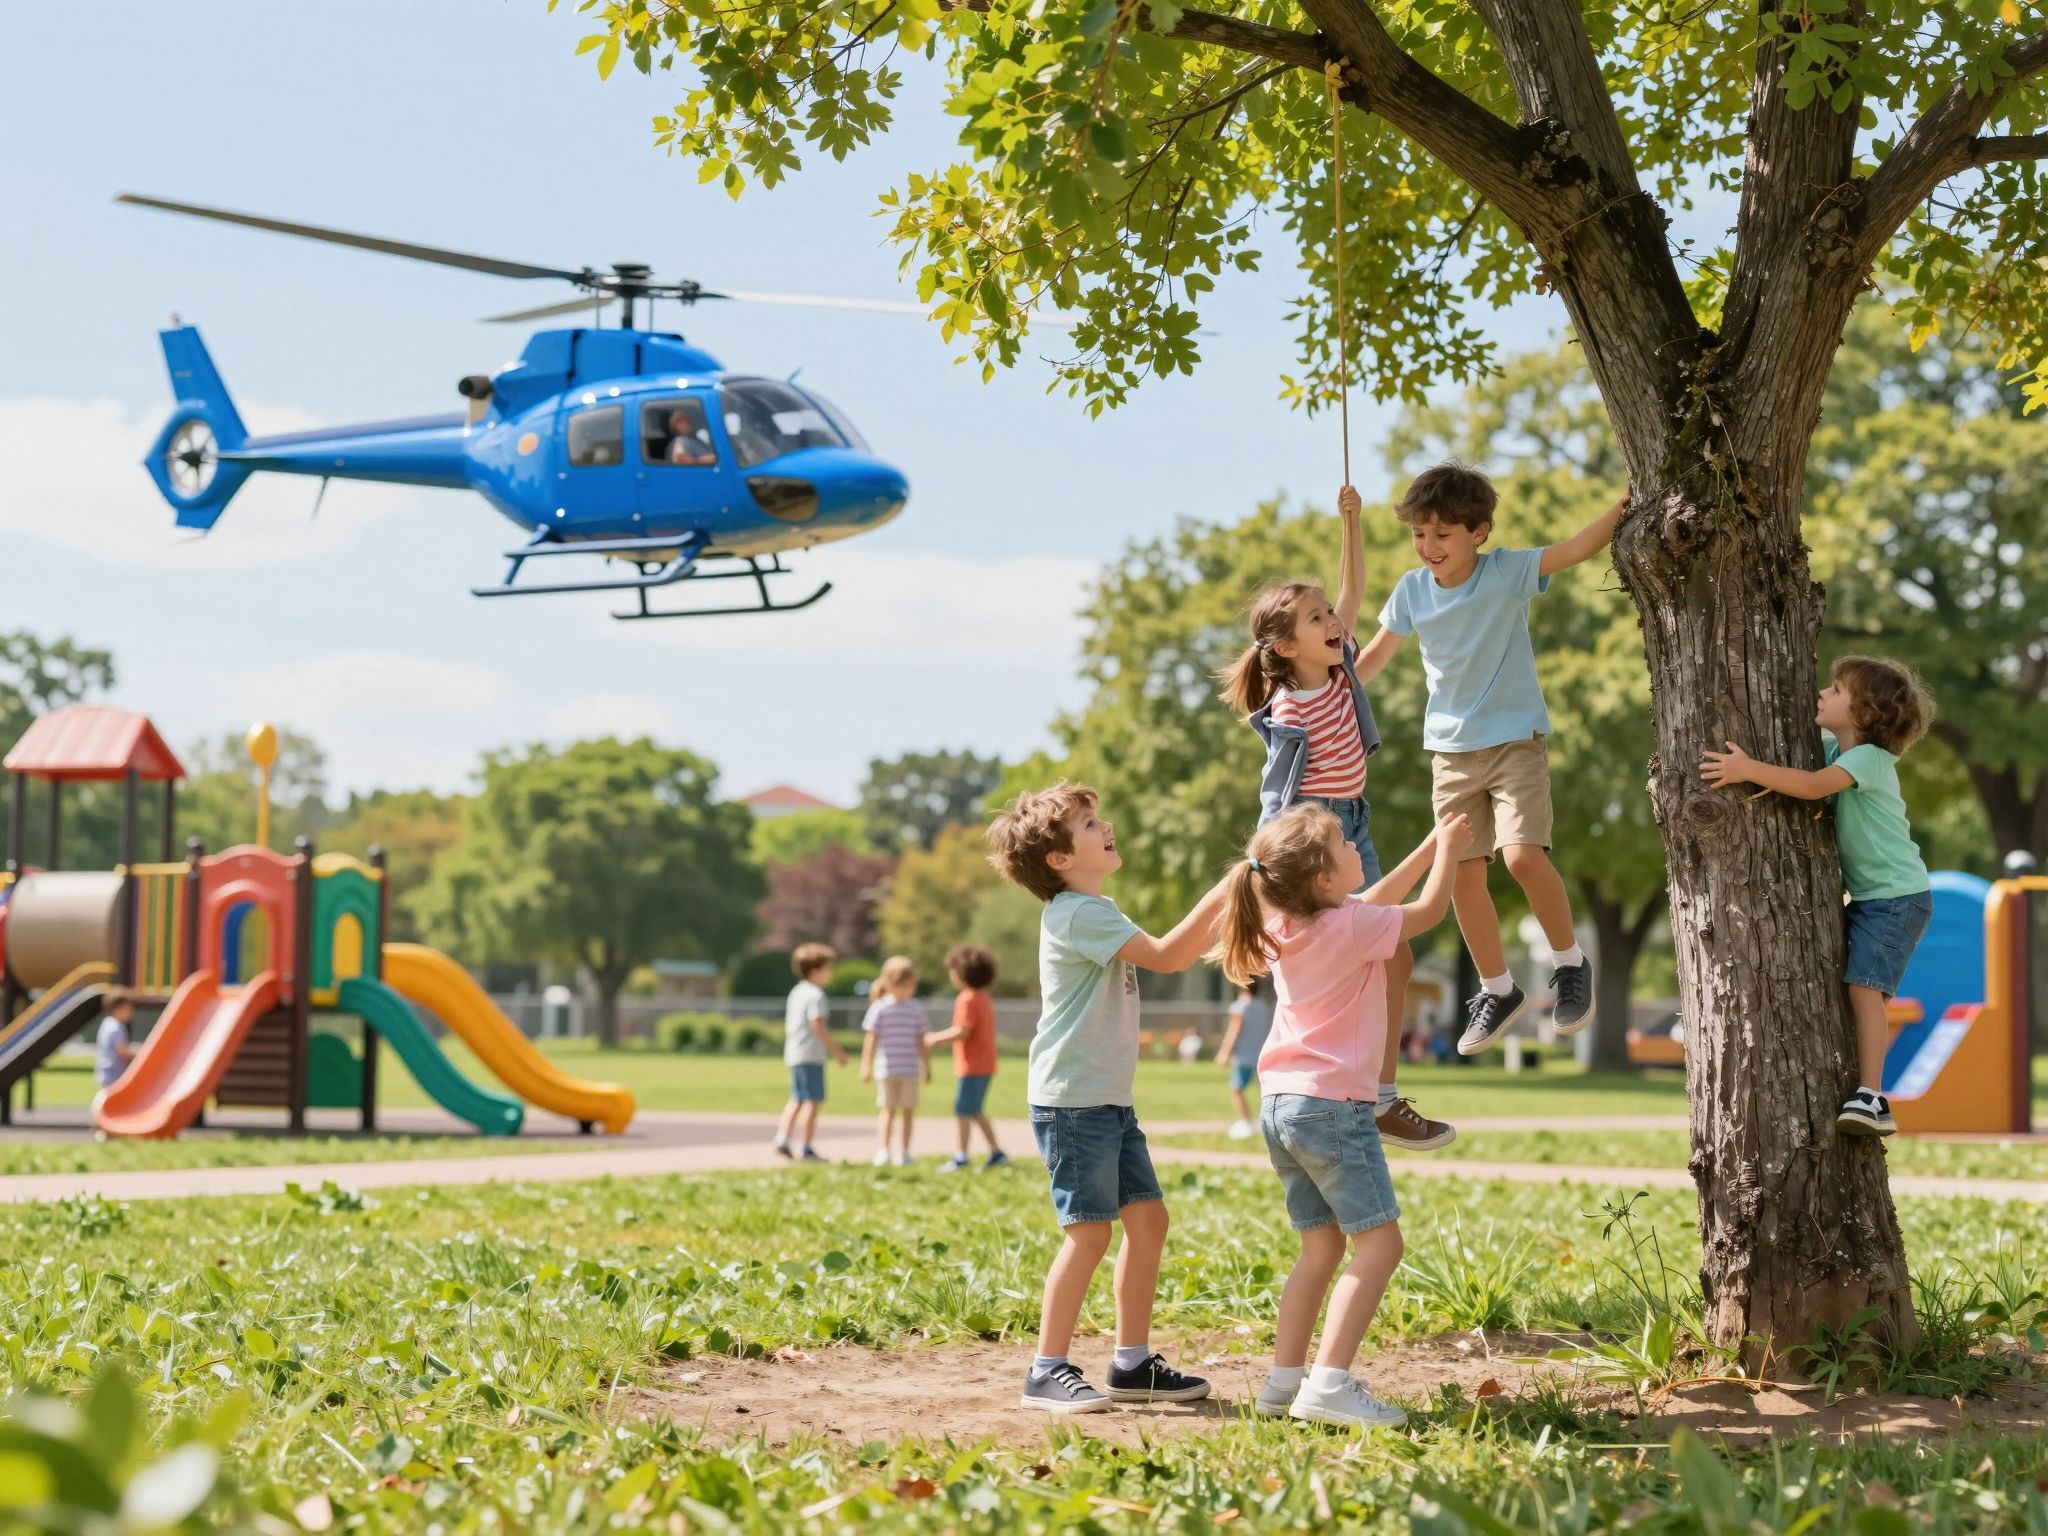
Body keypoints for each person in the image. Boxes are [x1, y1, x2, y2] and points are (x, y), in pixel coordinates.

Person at [1209, 802, 1471, 1427]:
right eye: (1344, 844)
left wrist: (1432, 844)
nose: (1357, 845)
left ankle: (1282, 1382)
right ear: (1325, 880)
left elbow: (1375, 896)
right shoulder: (1351, 927)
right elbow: (1428, 913)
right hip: (1333, 1106)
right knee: (1380, 1246)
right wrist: (1456, 853)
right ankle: (1329, 1385)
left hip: (1282, 1106)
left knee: (1319, 1251)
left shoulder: (1286, 925)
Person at [1351, 463, 1628, 1056]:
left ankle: (1570, 963)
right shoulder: (1411, 591)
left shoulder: (1505, 572)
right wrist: (1328, 691)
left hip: (1514, 741)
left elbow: (1577, 548)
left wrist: (1628, 499)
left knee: (1523, 856)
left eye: (1442, 535)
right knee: (1461, 875)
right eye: (1419, 535)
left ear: (1478, 532)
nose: (1429, 548)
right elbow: (1371, 659)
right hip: (1449, 754)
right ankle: (1497, 989)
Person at [1219, 483, 1452, 1153]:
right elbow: (1282, 805)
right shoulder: (1291, 710)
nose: (1331, 622)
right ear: (1286, 648)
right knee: (1345, 959)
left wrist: (1350, 525)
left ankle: (1380, 1096)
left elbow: (1354, 594)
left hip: (1359, 826)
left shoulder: (1342, 669)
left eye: (1328, 615)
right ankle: (1332, 1086)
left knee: (1396, 957)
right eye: (1315, 619)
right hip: (1323, 842)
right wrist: (1287, 861)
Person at [987, 780, 1231, 1414]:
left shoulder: (1095, 909)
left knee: (1148, 1222)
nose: (1105, 826)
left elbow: (1175, 950)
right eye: (1088, 823)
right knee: (1089, 1235)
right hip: (1074, 1102)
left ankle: (1131, 1364)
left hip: (1105, 1100)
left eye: (1098, 817)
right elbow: (1171, 957)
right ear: (1059, 860)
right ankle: (1046, 1368)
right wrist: (1230, 886)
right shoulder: (1079, 913)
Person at [1700, 656, 1936, 1137]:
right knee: (1853, 987)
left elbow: (1808, 787)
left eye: (1836, 690)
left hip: (1897, 897)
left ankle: (1872, 1097)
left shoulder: (1866, 759)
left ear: (1864, 714)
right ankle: (1867, 1090)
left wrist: (1745, 768)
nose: (1822, 695)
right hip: (1876, 897)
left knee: (1864, 990)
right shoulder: (1837, 749)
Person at [924, 942, 1008, 1171]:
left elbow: (962, 1030)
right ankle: (997, 1152)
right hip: (984, 1064)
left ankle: (961, 1156)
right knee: (975, 1110)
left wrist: (934, 1039)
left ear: (962, 973)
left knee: (963, 1111)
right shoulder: (982, 996)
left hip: (973, 1065)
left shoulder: (967, 998)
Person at [774, 944, 847, 1162]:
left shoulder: (797, 991)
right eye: (828, 968)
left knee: (797, 1099)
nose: (831, 973)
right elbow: (817, 1025)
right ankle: (806, 1147)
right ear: (815, 970)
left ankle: (783, 1138)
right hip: (810, 1054)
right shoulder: (816, 995)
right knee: (813, 1102)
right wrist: (836, 1051)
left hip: (795, 1053)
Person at [860, 955, 931, 1167]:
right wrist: (866, 1065)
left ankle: (905, 1151)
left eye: (910, 985)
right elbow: (871, 1039)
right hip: (887, 1069)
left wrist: (927, 1066)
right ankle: (883, 1150)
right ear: (890, 984)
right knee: (888, 1110)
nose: (907, 990)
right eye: (903, 985)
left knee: (908, 1111)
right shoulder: (880, 1008)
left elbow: (922, 1041)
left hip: (910, 1069)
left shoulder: (916, 1009)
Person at [1214, 978, 1272, 1140]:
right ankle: (1269, 1121)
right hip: (1260, 1054)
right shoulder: (1262, 1006)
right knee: (1264, 1091)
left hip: (1243, 1056)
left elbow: (1234, 1030)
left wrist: (1224, 1052)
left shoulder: (1239, 1007)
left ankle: (1245, 1123)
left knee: (1236, 1089)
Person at [95, 988, 138, 1089]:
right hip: (112, 1074)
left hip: (105, 1072)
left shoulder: (107, 1023)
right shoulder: (116, 1027)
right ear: (118, 1009)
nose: (131, 1013)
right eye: (129, 1009)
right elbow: (122, 1051)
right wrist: (142, 1052)